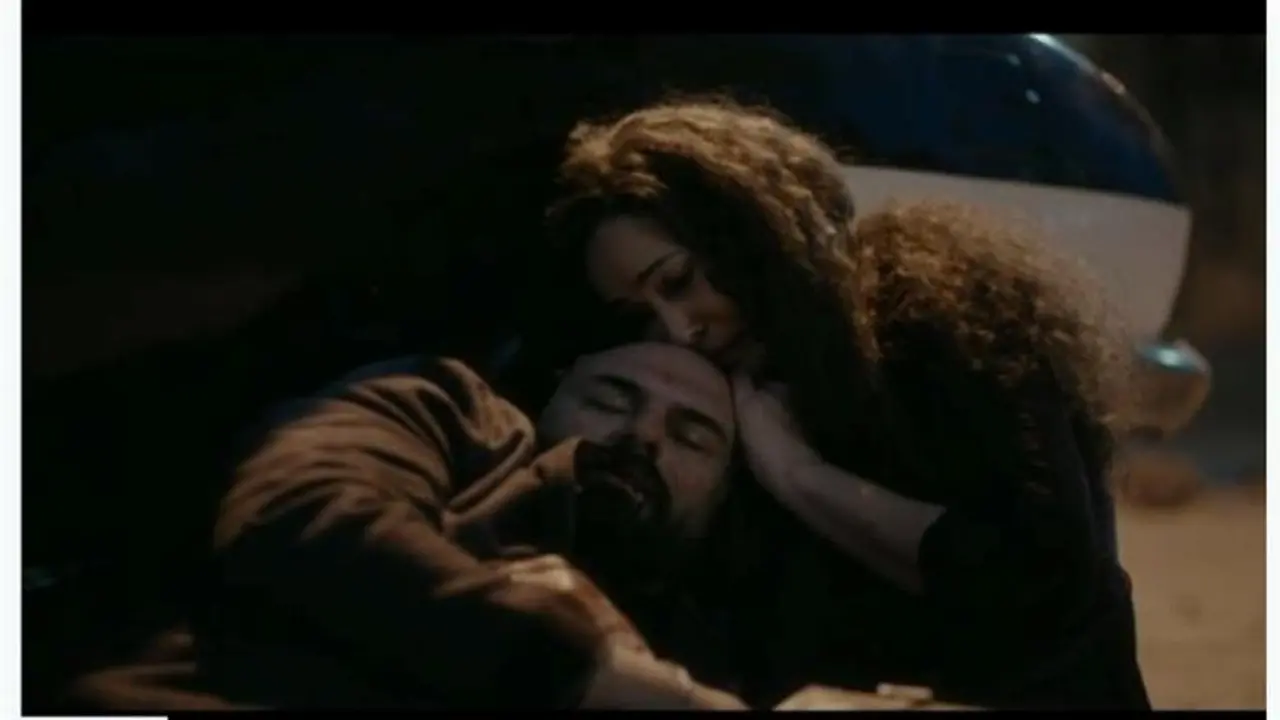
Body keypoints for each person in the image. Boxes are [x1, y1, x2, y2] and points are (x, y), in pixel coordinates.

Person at [533, 96, 1150, 709]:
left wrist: (799, 476)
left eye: (677, 281)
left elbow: (1042, 577)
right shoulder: (741, 397)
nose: (680, 330)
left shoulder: (932, 304)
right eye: (639, 314)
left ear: (745, 228)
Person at [67, 342, 749, 710]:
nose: (642, 436)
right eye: (610, 399)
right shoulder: (456, 417)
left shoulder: (709, 650)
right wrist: (588, 672)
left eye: (692, 437)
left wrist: (799, 478)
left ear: (722, 497)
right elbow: (299, 510)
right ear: (550, 400)